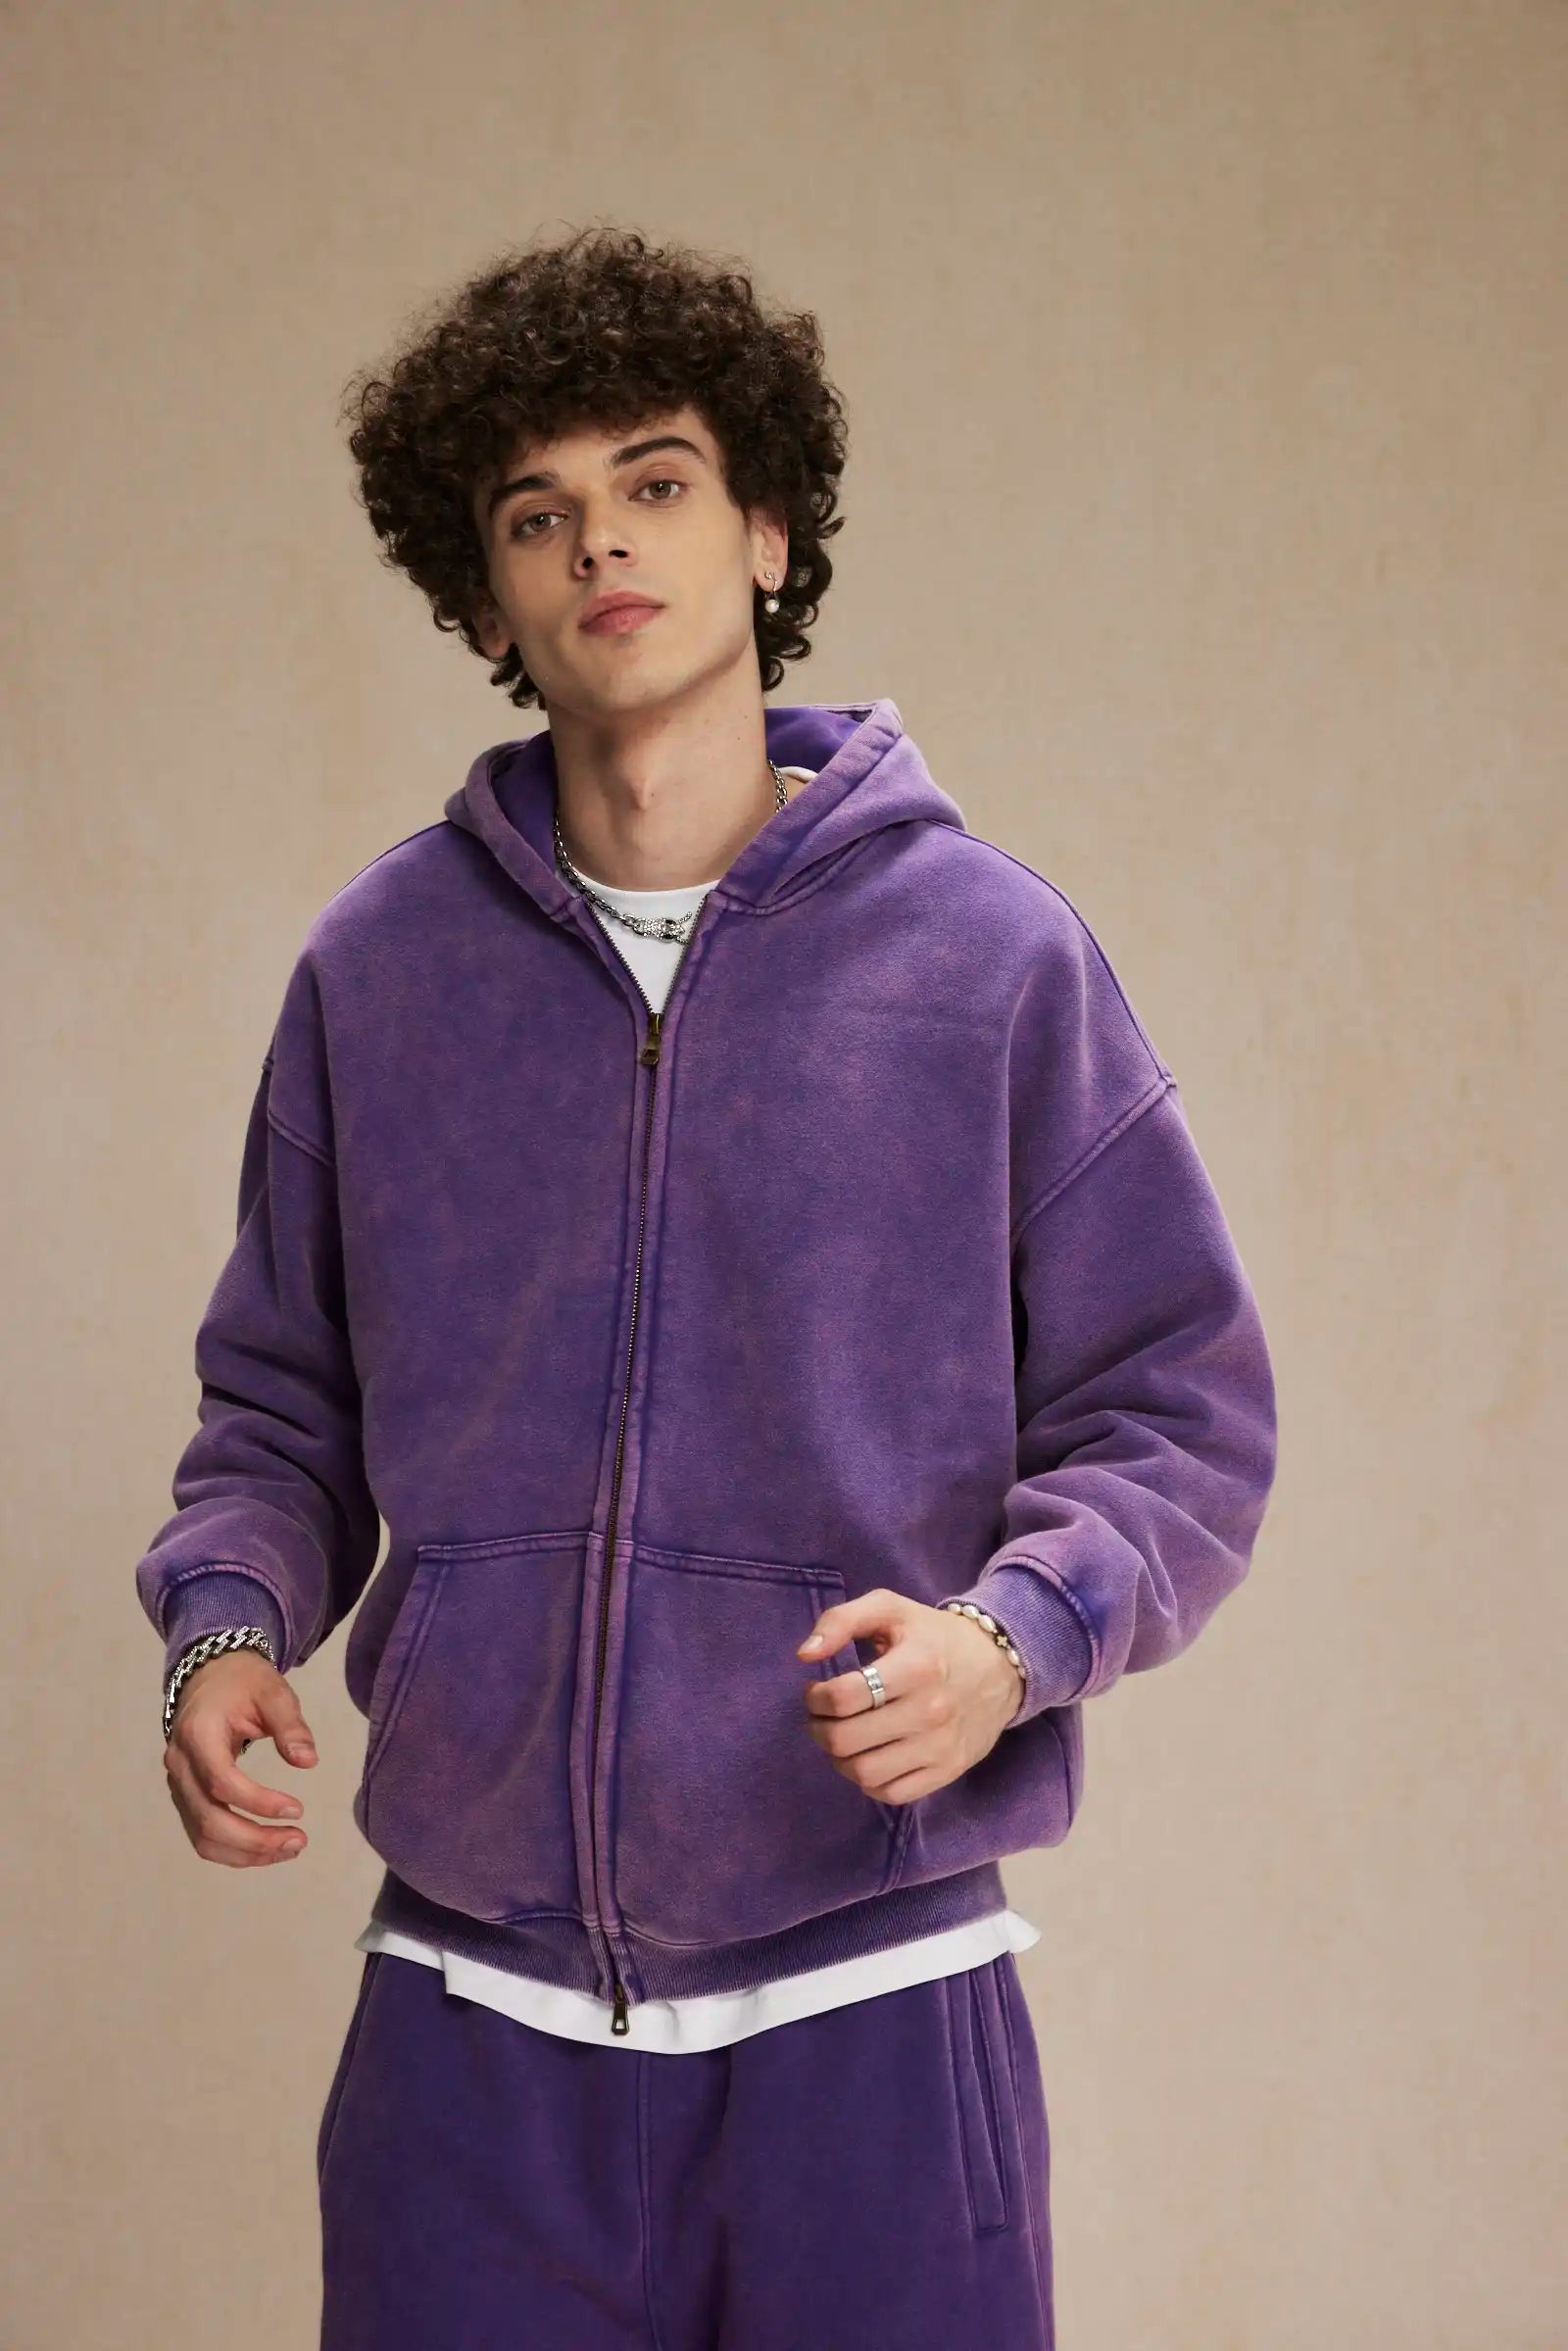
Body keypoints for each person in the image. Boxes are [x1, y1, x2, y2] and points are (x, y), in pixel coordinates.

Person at [138, 224, 1277, 2350]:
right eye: (536, 513)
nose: (600, 544)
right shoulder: (380, 978)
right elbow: (281, 1408)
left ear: (764, 533)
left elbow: (1179, 1411)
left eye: (654, 484)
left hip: (875, 2015)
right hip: (468, 2033)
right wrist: (221, 1624)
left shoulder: (991, 964)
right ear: (485, 596)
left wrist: (1010, 1642)